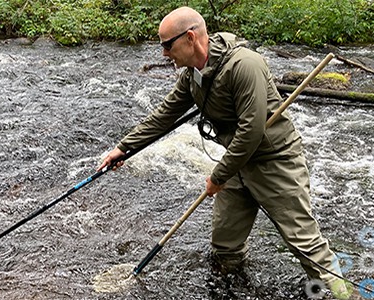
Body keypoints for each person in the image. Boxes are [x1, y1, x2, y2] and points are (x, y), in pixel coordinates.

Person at [98, 6, 349, 299]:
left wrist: (217, 176)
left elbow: (251, 131)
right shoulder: (192, 75)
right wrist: (125, 148)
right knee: (225, 247)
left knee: (304, 244)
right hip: (234, 162)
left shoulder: (244, 65)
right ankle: (232, 291)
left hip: (273, 161)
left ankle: (346, 295)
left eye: (167, 45)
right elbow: (164, 116)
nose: (164, 54)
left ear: (190, 37)